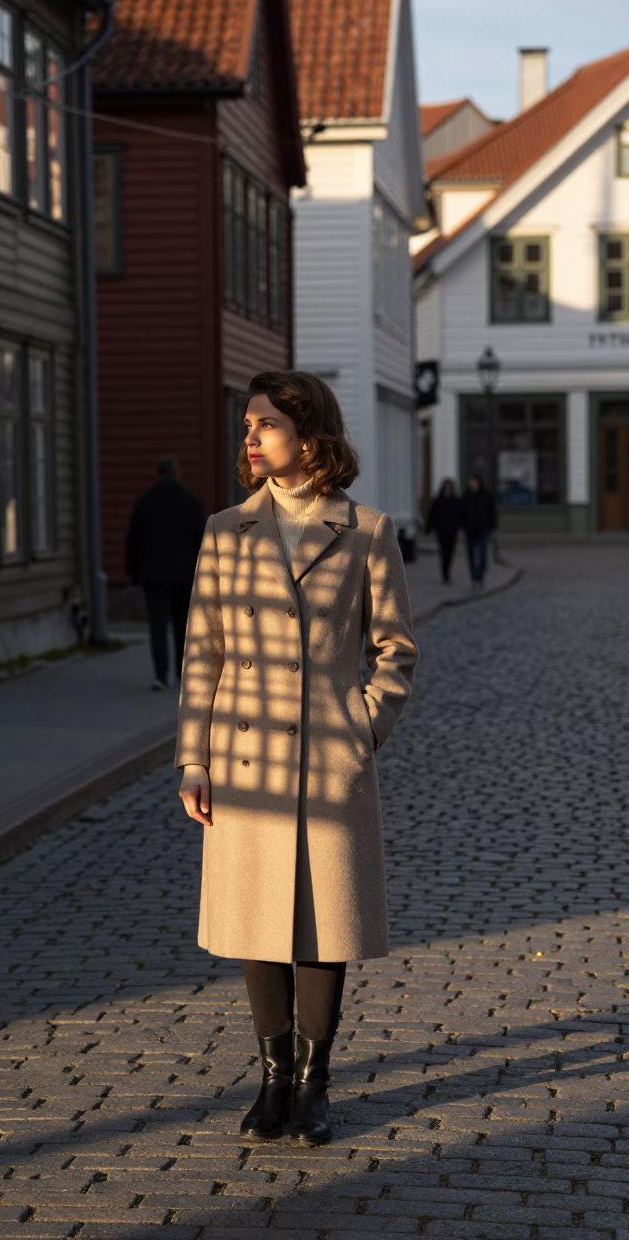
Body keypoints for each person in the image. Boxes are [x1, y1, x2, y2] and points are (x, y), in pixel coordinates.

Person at [176, 371, 419, 1147]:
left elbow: (396, 651)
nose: (248, 438)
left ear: (309, 437)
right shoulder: (225, 529)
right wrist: (193, 759)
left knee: (322, 926)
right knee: (256, 922)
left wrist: (362, 726)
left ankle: (314, 1084)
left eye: (265, 425)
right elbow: (202, 655)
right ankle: (273, 1076)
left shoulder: (367, 532)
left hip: (326, 758)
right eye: (247, 425)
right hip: (245, 760)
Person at [125, 457, 205, 690]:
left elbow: (133, 539)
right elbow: (201, 539)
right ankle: (183, 675)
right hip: (184, 573)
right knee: (183, 625)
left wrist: (132, 571)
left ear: (157, 474)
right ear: (177, 474)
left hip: (153, 573)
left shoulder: (145, 501)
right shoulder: (191, 502)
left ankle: (161, 676)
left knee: (158, 626)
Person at [461, 473, 497, 589]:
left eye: (474, 482)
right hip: (470, 531)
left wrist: (491, 527)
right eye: (471, 482)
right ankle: (474, 578)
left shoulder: (486, 496)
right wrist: (463, 526)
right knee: (471, 556)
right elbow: (461, 513)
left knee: (483, 555)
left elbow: (492, 513)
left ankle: (480, 576)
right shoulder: (466, 497)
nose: (473, 484)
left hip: (483, 530)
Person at [426, 478, 462, 583]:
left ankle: (447, 571)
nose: (448, 490)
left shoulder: (456, 501)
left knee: (450, 552)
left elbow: (460, 515)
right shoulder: (438, 500)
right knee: (443, 551)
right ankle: (445, 573)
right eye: (446, 488)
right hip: (441, 530)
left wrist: (460, 525)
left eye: (450, 488)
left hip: (452, 530)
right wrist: (429, 528)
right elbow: (432, 515)